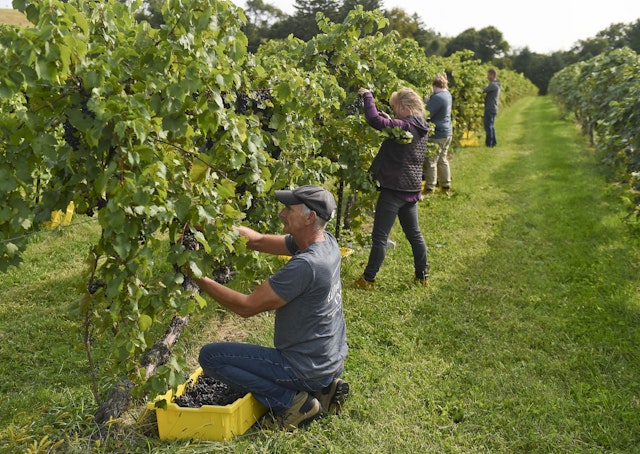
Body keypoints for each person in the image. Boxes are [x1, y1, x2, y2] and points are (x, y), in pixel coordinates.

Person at [192, 185, 349, 430]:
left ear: (310, 218)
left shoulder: (306, 266)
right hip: (329, 360)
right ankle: (324, 388)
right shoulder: (325, 242)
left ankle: (293, 403)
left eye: (289, 209)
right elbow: (258, 241)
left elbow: (246, 307)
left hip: (305, 366)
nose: (281, 214)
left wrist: (198, 278)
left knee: (211, 357)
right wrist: (209, 226)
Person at [354, 87, 430, 289]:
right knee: (414, 234)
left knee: (379, 236)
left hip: (394, 188)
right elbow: (397, 129)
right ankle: (422, 275)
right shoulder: (421, 126)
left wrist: (368, 95)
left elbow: (374, 120)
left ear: (405, 107)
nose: (394, 111)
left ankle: (368, 279)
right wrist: (391, 120)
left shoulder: (404, 126)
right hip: (411, 188)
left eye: (395, 108)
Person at [423, 74, 453, 195]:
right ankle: (445, 185)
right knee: (442, 159)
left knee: (431, 161)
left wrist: (424, 103)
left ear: (434, 85)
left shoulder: (437, 98)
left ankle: (430, 188)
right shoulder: (447, 95)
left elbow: (426, 114)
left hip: (437, 134)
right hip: (447, 132)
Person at [483, 68, 501, 147]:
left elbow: (484, 90)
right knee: (491, 125)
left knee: (488, 126)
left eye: (488, 75)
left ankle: (489, 144)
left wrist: (482, 88)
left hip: (490, 108)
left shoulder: (493, 85)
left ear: (493, 75)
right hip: (493, 108)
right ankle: (493, 142)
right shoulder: (496, 84)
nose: (487, 76)